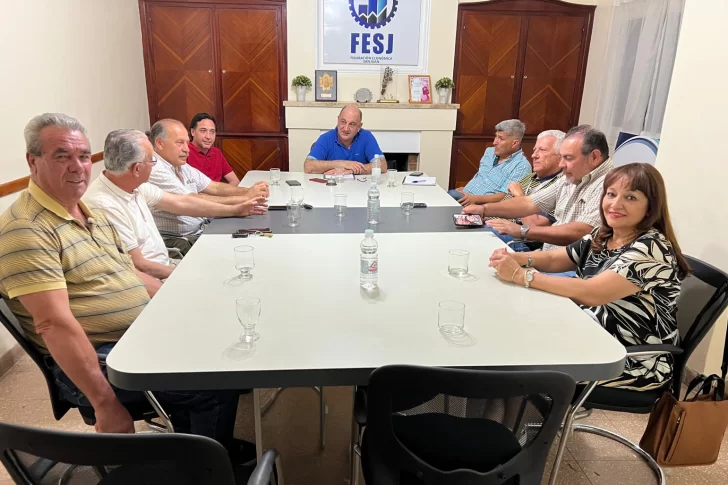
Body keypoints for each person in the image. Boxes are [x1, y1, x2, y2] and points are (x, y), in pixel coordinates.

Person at [0, 113, 248, 459]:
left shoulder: (89, 213)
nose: (78, 166)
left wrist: (181, 302)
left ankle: (195, 444)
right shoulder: (26, 230)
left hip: (136, 332)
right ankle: (208, 464)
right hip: (105, 356)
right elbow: (53, 325)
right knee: (215, 378)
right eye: (62, 156)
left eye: (83, 156)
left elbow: (130, 274)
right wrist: (104, 402)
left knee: (225, 342)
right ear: (33, 161)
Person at [489, 163, 690, 391]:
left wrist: (520, 275)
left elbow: (592, 293)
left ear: (651, 207)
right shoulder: (605, 234)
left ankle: (517, 410)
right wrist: (517, 258)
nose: (615, 204)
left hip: (629, 360)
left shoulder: (650, 248)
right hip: (588, 334)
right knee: (513, 338)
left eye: (631, 197)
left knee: (519, 365)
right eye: (611, 194)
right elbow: (556, 258)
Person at [85, 129, 267, 280]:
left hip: (167, 264)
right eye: (151, 160)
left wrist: (235, 210)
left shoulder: (135, 185)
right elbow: (139, 266)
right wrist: (186, 275)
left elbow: (183, 202)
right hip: (155, 277)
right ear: (137, 169)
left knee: (232, 267)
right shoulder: (104, 204)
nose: (154, 165)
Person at [464, 125, 614, 252]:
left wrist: (522, 231)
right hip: (549, 256)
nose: (561, 164)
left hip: (567, 266)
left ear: (594, 157)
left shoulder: (609, 184)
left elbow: (583, 231)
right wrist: (484, 210)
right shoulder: (571, 176)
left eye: (568, 158)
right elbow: (529, 203)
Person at [147, 119, 269, 255]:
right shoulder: (154, 168)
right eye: (180, 143)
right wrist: (242, 200)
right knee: (240, 251)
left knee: (255, 241)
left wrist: (248, 191)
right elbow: (191, 200)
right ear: (160, 143)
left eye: (187, 142)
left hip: (200, 229)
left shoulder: (181, 165)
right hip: (178, 240)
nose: (187, 149)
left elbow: (214, 187)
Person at [482, 130, 565, 252]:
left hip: (519, 241)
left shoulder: (560, 185)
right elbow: (504, 206)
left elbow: (533, 226)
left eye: (542, 150)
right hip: (492, 225)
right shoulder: (529, 177)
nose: (534, 155)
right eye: (535, 150)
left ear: (560, 157)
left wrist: (519, 196)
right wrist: (482, 213)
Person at [449, 119, 531, 205]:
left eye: (501, 139)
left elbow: (507, 196)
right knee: (445, 195)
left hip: (484, 207)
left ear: (514, 143)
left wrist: (474, 199)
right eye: (496, 136)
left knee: (451, 195)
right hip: (468, 196)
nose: (494, 142)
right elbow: (480, 177)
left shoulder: (522, 166)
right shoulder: (489, 152)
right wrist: (467, 189)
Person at [304, 104, 388, 175]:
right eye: (343, 122)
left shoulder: (366, 136)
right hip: (332, 186)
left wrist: (351, 171)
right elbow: (308, 166)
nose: (346, 129)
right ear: (338, 120)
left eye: (352, 124)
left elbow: (382, 165)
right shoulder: (326, 138)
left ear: (359, 127)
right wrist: (342, 164)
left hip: (360, 187)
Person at [187, 113, 240, 185]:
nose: (208, 137)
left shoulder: (216, 152)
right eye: (203, 130)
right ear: (193, 132)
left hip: (218, 191)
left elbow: (235, 181)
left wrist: (222, 192)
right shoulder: (184, 151)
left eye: (212, 131)